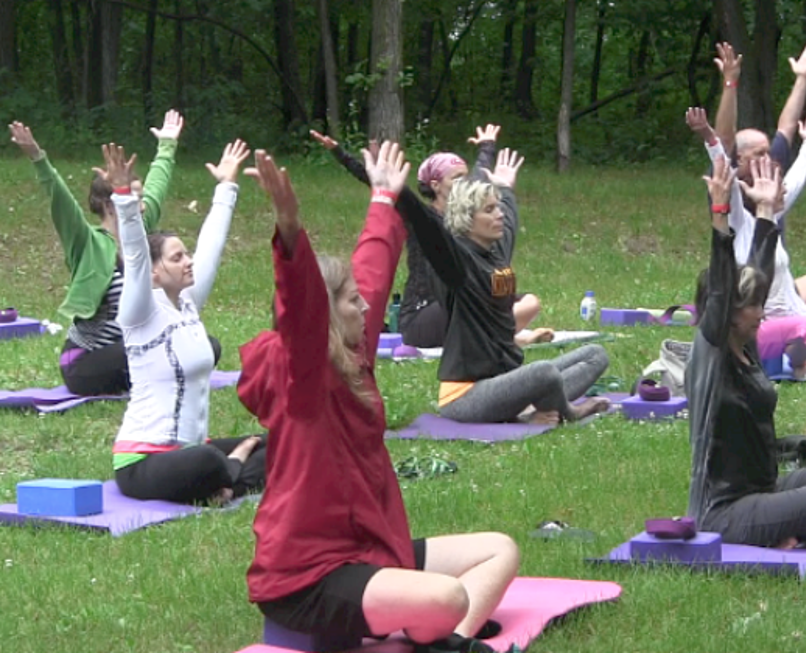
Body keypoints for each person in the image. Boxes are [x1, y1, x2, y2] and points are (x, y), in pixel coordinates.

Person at [238, 143, 518, 653]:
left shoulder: (352, 349)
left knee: (500, 551)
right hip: (307, 577)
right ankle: (443, 633)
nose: (366, 304)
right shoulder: (302, 375)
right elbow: (300, 309)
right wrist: (289, 231)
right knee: (449, 597)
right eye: (349, 301)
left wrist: (385, 199)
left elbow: (372, 266)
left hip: (367, 548)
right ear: (325, 314)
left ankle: (443, 642)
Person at [686, 154, 806, 549]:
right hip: (721, 511)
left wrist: (766, 212)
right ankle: (776, 527)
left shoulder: (744, 345)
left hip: (763, 492)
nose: (762, 312)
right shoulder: (711, 354)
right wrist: (719, 214)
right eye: (753, 305)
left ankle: (782, 524)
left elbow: (759, 273)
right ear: (729, 314)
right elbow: (720, 287)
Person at [7, 112, 221, 396]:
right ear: (111, 204)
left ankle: (158, 374)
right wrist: (38, 158)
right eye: (135, 199)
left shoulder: (142, 227)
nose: (143, 206)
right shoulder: (87, 242)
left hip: (135, 347)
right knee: (153, 348)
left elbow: (159, 181)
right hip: (86, 361)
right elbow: (60, 198)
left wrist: (167, 145)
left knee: (206, 344)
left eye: (141, 198)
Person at [398, 148, 610, 424]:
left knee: (596, 355)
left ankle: (534, 408)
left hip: (505, 383)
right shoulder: (458, 265)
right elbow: (426, 227)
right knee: (544, 372)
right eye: (489, 210)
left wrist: (504, 187)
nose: (499, 214)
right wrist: (396, 190)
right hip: (466, 396)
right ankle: (568, 412)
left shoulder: (495, 252)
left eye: (497, 207)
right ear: (467, 219)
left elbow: (509, 216)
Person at [104, 139, 264, 504]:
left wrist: (226, 186)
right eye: (177, 258)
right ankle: (230, 471)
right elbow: (134, 252)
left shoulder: (187, 303)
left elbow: (212, 244)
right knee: (209, 458)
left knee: (280, 443)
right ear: (155, 272)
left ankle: (225, 486)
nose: (189, 261)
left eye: (186, 254)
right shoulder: (140, 312)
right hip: (144, 461)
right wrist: (124, 197)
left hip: (191, 451)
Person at [310, 126, 551, 348]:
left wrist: (487, 146)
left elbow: (481, 177)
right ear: (435, 185)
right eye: (456, 178)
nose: (464, 183)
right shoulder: (423, 220)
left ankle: (507, 336)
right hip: (422, 315)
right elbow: (390, 188)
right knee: (476, 305)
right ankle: (512, 337)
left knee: (530, 303)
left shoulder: (469, 218)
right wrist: (340, 154)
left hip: (461, 302)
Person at [687, 106, 806, 379]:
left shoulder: (770, 214)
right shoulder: (738, 221)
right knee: (799, 329)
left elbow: (795, 181)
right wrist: (710, 137)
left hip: (798, 314)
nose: (769, 161)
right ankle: (802, 366)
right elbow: (724, 171)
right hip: (763, 324)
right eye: (759, 155)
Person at [712, 40, 806, 311]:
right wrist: (730, 85)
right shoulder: (731, 187)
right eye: (759, 154)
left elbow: (787, 127)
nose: (769, 159)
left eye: (768, 152)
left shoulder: (771, 175)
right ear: (739, 159)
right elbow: (723, 138)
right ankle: (804, 326)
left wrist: (803, 77)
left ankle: (804, 319)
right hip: (748, 297)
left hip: (780, 288)